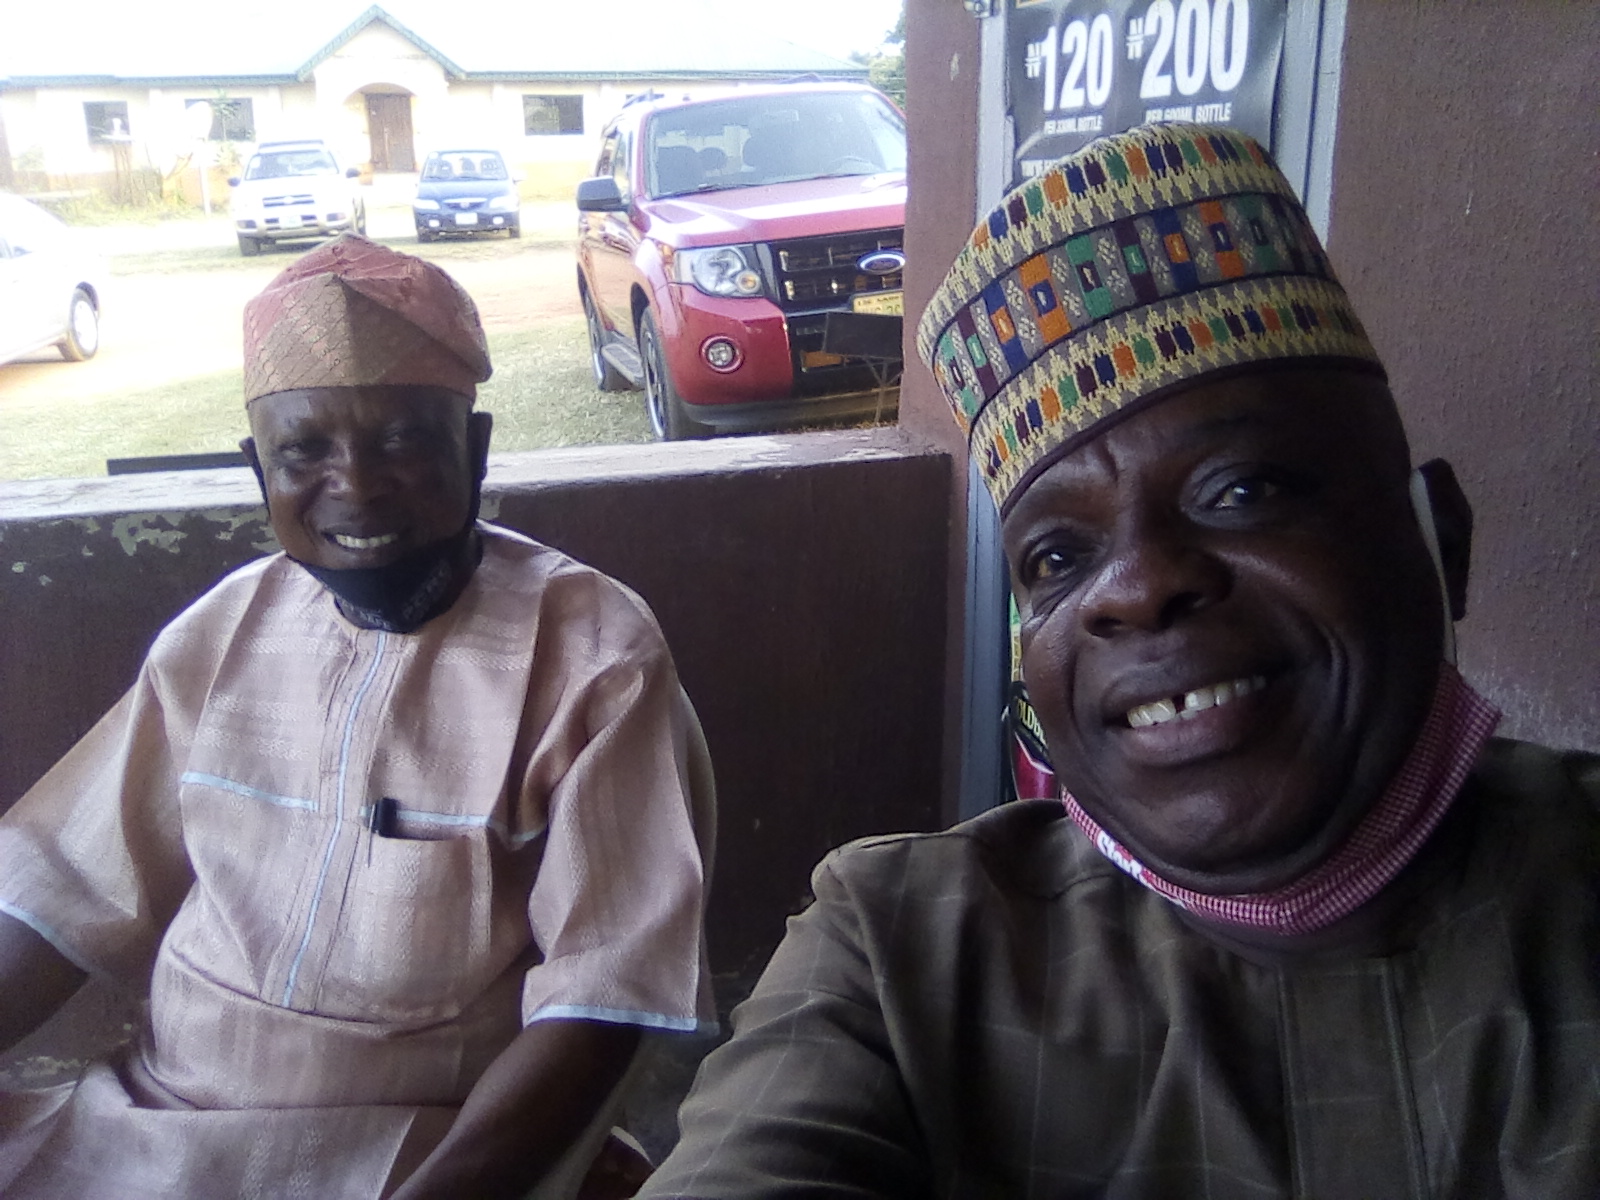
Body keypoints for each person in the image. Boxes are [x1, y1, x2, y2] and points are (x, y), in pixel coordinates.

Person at [638, 123, 1599, 1198]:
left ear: (1438, 541)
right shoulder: (903, 952)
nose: (1135, 587)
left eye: (1241, 490)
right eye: (1058, 557)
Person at [0, 235, 715, 1200]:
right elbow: (60, 884)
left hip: (409, 1152)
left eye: (402, 441)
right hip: (152, 1122)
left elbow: (606, 991)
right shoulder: (219, 633)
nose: (357, 484)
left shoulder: (594, 656)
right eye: (305, 451)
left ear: (475, 449)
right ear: (258, 470)